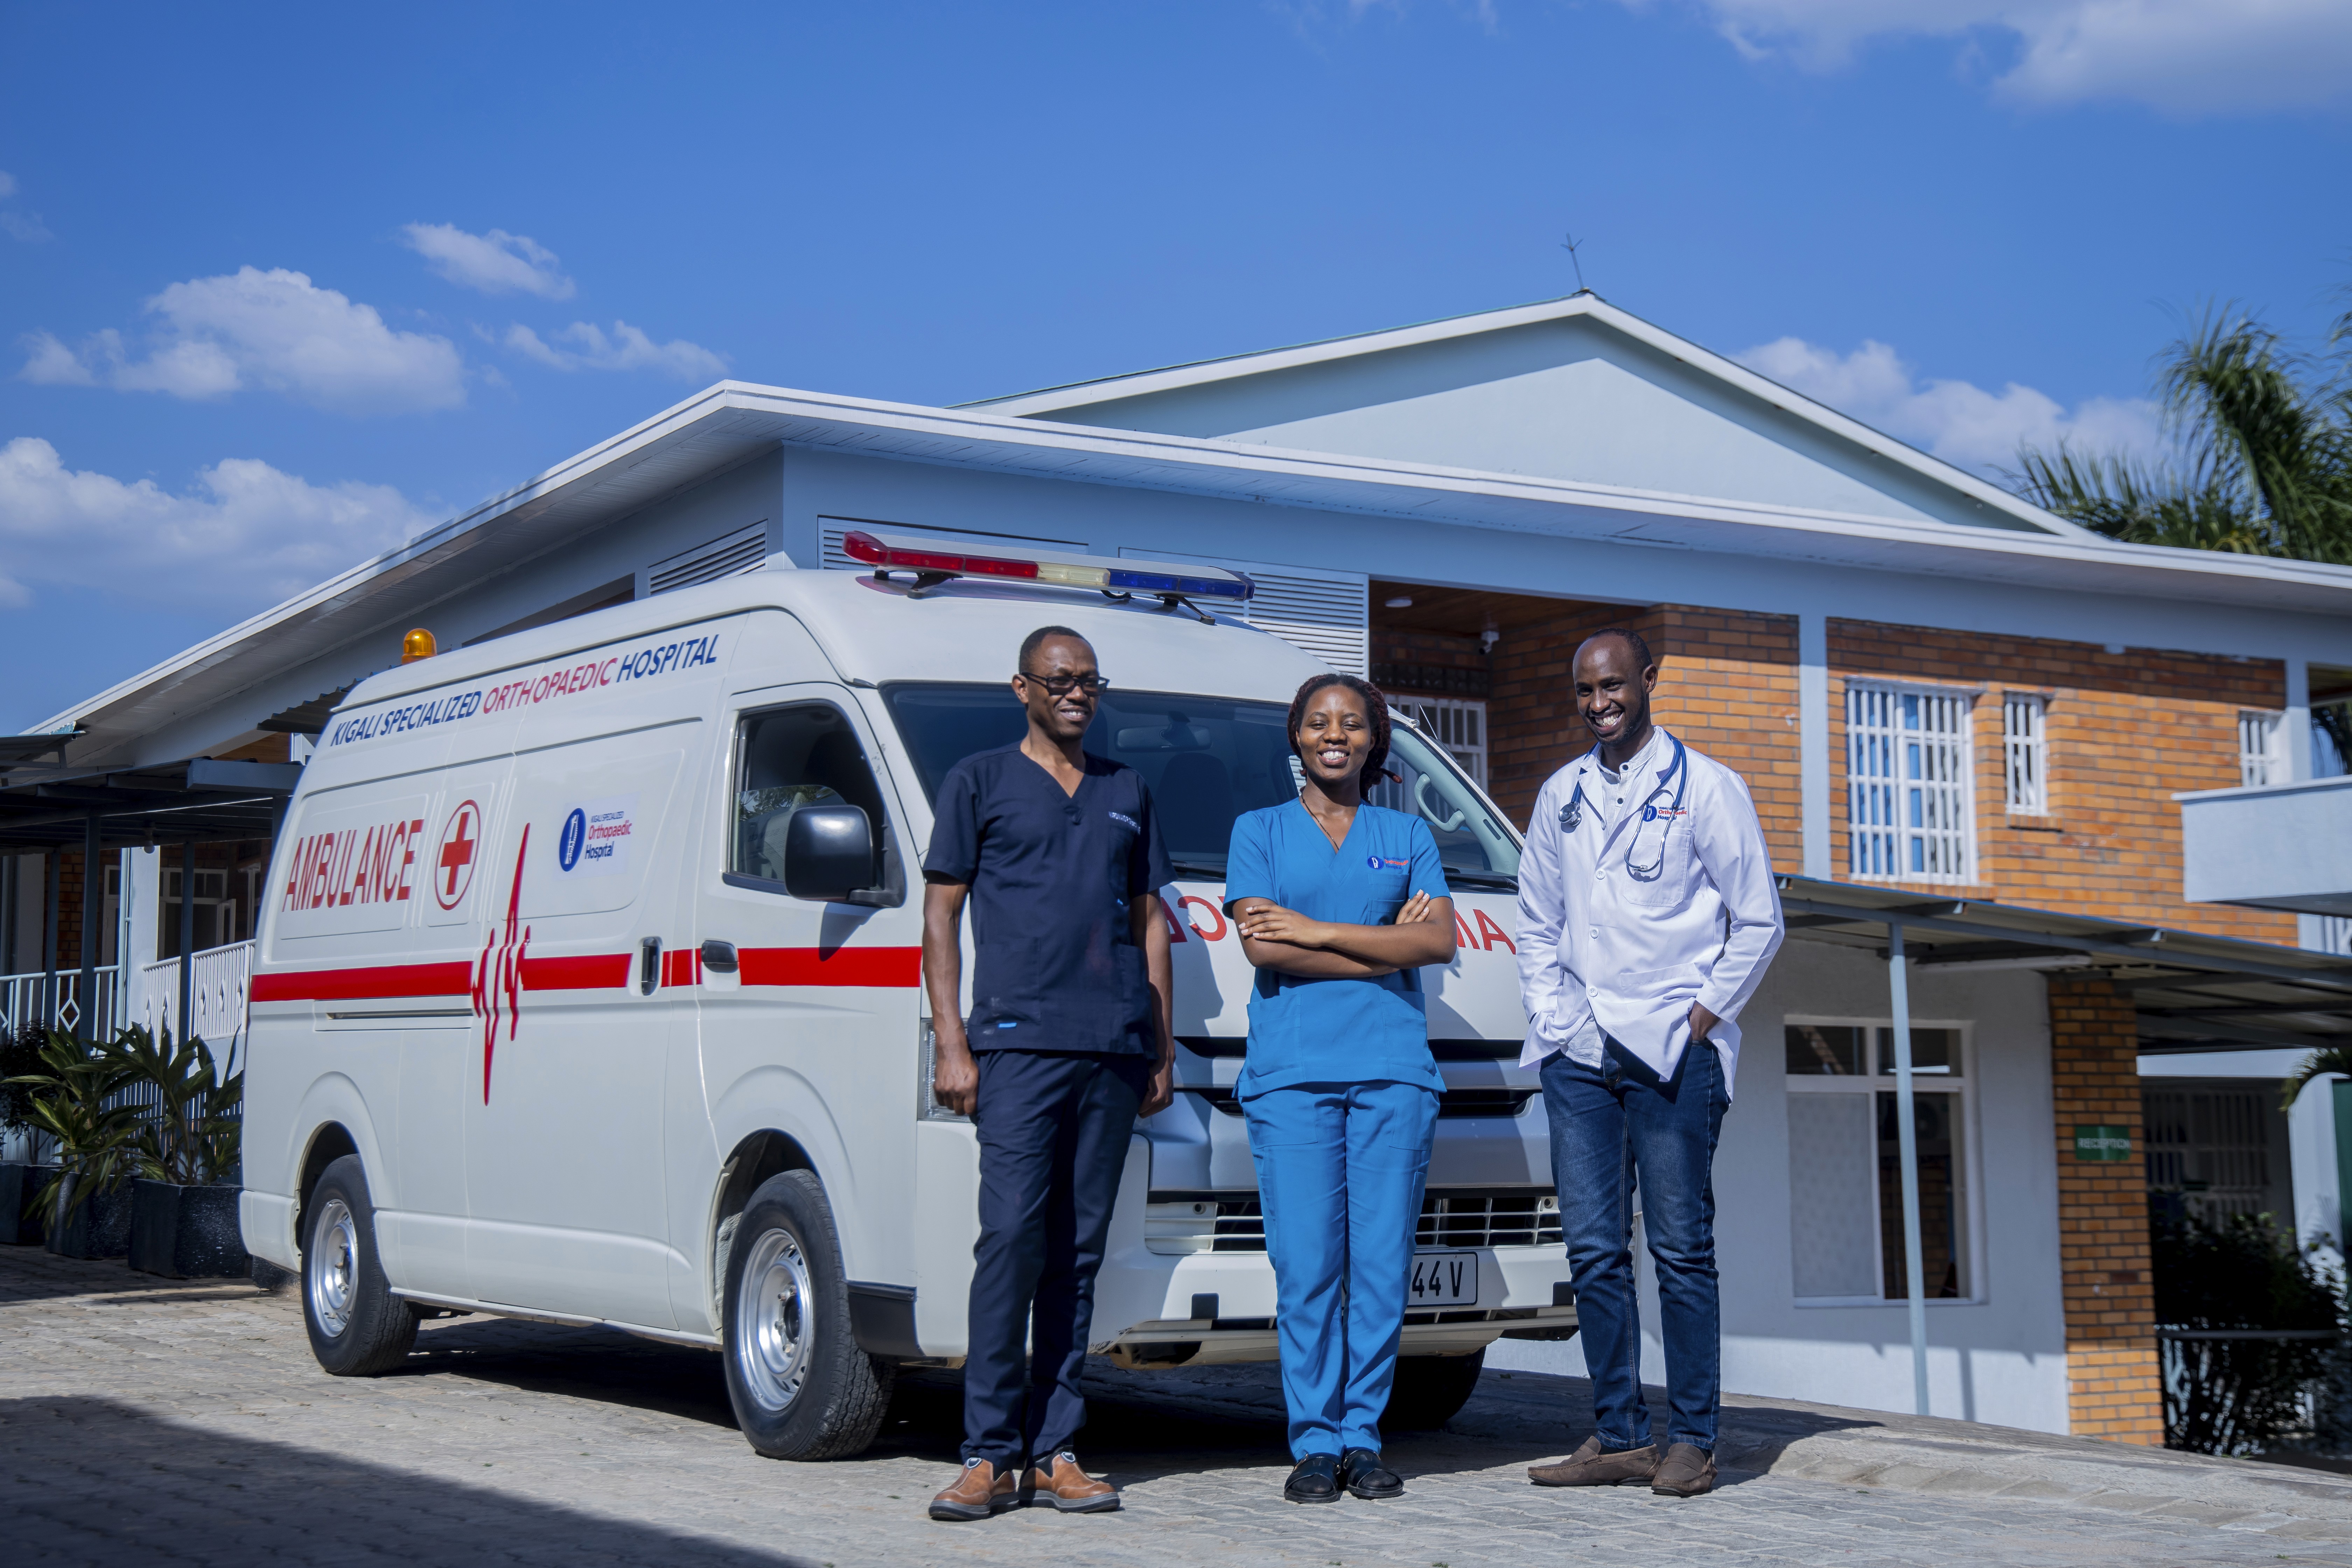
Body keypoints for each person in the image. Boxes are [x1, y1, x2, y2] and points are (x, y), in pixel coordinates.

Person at [1517, 627, 1783, 1499]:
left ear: (1649, 680)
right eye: (1585, 689)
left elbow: (1760, 919)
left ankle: (1695, 1439)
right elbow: (1537, 919)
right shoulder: (1562, 792)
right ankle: (1622, 1435)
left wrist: (1706, 1012)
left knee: (1680, 1248)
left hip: (1673, 1050)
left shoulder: (1707, 786)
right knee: (1594, 1250)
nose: (1599, 702)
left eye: (1614, 685)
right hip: (1581, 1051)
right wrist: (1552, 1019)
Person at [922, 625, 1177, 1522]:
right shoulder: (978, 781)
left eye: (1090, 681)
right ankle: (988, 1453)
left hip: (1111, 1046)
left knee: (1077, 1255)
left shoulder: (1127, 789)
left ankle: (1056, 1448)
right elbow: (941, 920)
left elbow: (1151, 922)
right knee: (1011, 1244)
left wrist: (1161, 1040)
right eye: (1060, 679)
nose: (1077, 692)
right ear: (1022, 687)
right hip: (1017, 1046)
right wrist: (952, 1041)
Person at [1224, 673, 1457, 1505]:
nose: (1335, 735)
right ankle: (1315, 1440)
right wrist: (1380, 941)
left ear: (1373, 739)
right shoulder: (1258, 830)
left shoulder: (1407, 832)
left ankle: (1364, 1436)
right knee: (1311, 1264)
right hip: (1293, 1077)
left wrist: (1316, 928)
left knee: (1382, 1263)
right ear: (1296, 736)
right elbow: (1263, 950)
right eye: (1319, 722)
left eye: (1352, 724)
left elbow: (1436, 941)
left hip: (1393, 1072)